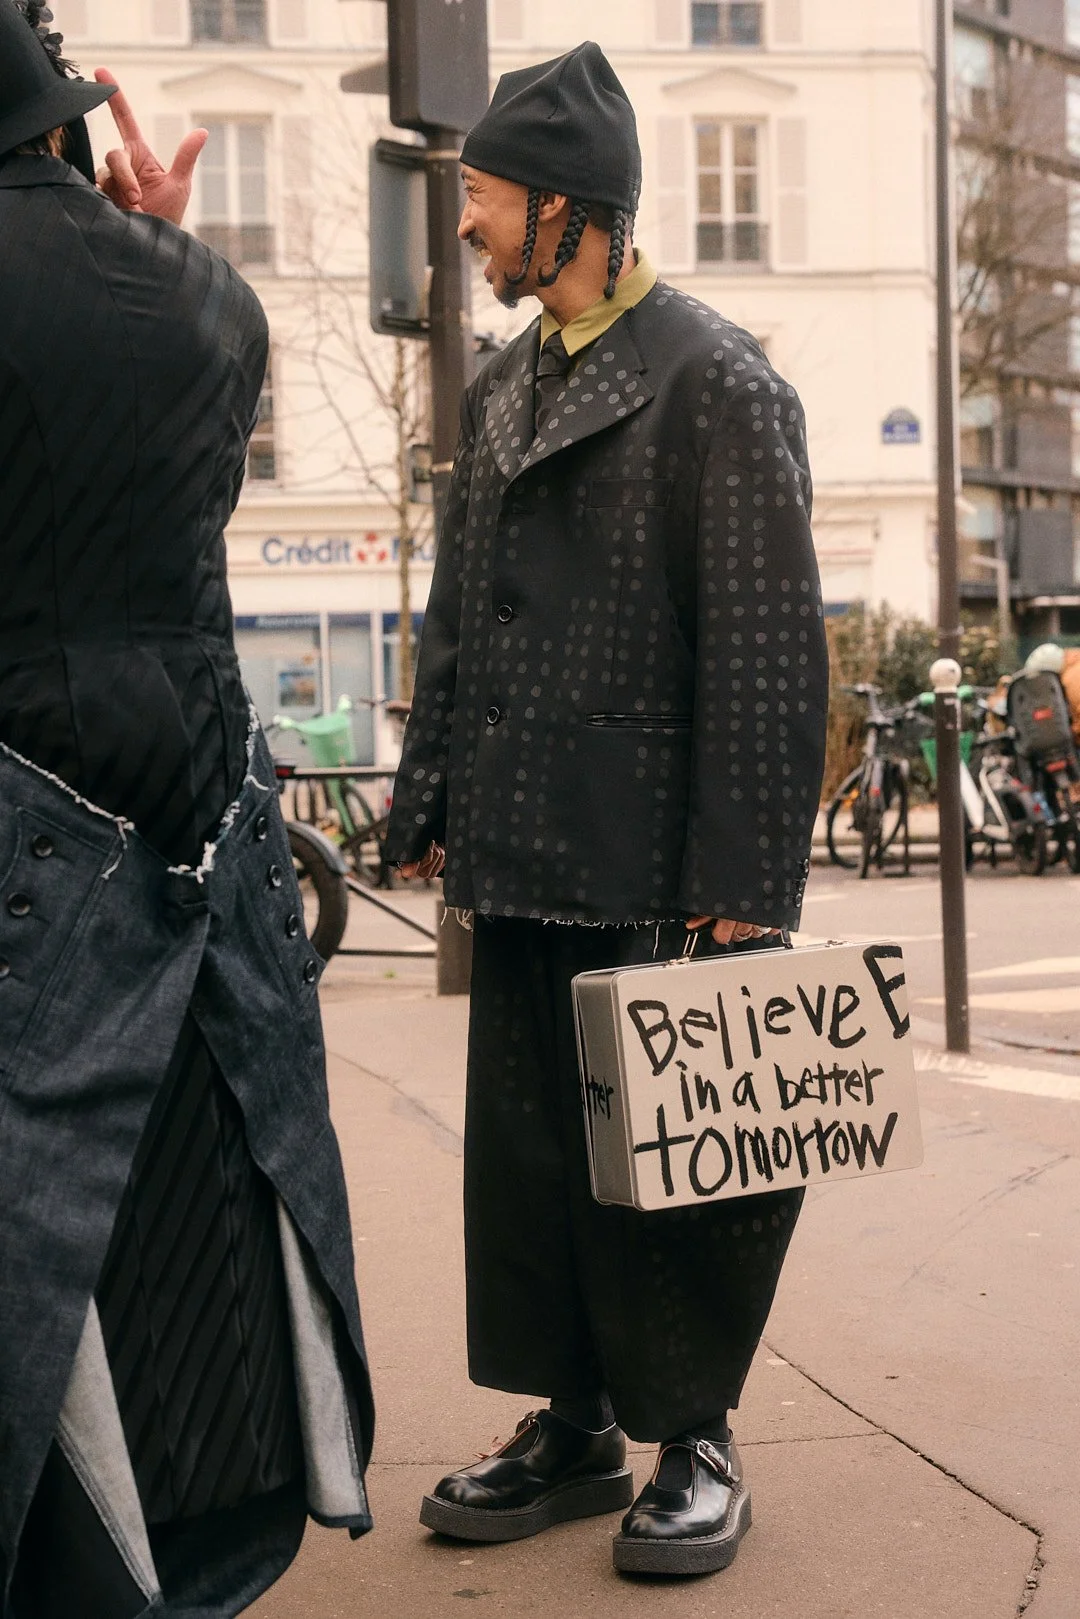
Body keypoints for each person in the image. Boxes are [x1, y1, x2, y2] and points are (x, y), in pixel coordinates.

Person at [385, 41, 828, 1579]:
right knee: (525, 1164)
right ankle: (573, 1421)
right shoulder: (503, 382)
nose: (471, 229)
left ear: (568, 211)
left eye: (488, 201)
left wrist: (746, 880)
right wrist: (425, 796)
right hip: (520, 845)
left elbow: (774, 655)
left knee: (674, 1169)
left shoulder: (721, 382)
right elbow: (457, 616)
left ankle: (693, 1432)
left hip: (653, 865)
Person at [0, 5, 373, 1614]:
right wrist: (149, 242)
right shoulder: (211, 302)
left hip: (24, 894)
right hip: (189, 875)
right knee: (190, 1304)